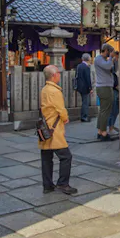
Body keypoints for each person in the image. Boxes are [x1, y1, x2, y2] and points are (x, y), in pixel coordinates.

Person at [39, 64, 78, 195]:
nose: (60, 75)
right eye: (58, 73)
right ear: (54, 75)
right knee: (66, 156)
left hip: (45, 127)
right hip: (54, 129)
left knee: (46, 157)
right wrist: (65, 118)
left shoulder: (45, 89)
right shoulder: (55, 91)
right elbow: (61, 109)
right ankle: (63, 183)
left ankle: (47, 185)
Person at [94, 44, 115, 141]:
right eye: (109, 52)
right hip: (104, 87)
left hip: (104, 87)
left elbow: (112, 68)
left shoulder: (103, 60)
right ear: (106, 50)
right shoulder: (99, 59)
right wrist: (111, 58)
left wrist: (113, 59)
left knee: (103, 110)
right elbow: (108, 67)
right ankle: (103, 132)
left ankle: (100, 131)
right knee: (106, 110)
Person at [75, 53, 93, 123]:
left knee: (84, 101)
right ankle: (84, 116)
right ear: (88, 59)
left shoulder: (79, 66)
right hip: (85, 87)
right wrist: (90, 88)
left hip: (79, 86)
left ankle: (84, 116)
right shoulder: (86, 67)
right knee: (85, 102)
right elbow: (88, 78)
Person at [107, 55, 120, 136]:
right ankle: (110, 128)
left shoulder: (110, 74)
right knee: (113, 111)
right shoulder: (111, 74)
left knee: (113, 111)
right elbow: (115, 85)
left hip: (110, 93)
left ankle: (111, 127)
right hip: (113, 93)